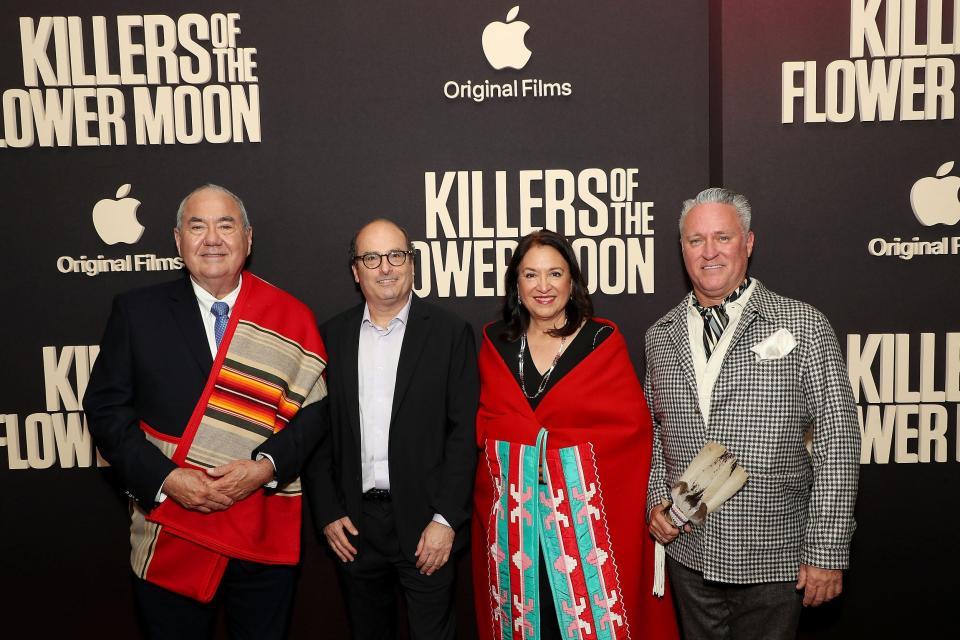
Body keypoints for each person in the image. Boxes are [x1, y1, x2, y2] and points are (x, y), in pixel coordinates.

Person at [84, 184, 327, 640]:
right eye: (197, 226)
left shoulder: (290, 317)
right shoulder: (137, 312)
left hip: (260, 524)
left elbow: (315, 416)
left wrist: (265, 468)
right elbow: (106, 410)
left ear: (248, 239)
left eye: (225, 225)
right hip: (171, 527)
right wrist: (167, 479)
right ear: (177, 241)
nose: (211, 238)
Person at [645, 187, 860, 640]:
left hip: (774, 557)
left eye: (722, 237)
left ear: (749, 242)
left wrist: (826, 549)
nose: (709, 252)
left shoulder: (803, 325)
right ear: (681, 247)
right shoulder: (659, 335)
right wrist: (655, 502)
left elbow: (837, 443)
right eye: (695, 240)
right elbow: (652, 431)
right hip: (691, 553)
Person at [472, 229, 679, 640]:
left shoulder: (601, 340)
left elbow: (630, 431)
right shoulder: (495, 341)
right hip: (517, 535)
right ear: (516, 284)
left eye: (555, 273)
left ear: (572, 280)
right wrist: (532, 445)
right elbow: (489, 425)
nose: (543, 287)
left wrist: (545, 451)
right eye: (531, 275)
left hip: (586, 531)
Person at [305, 218, 478, 639]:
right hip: (355, 528)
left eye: (396, 255)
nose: (386, 267)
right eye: (372, 257)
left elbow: (464, 436)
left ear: (412, 264)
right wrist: (328, 512)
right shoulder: (330, 337)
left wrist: (446, 520)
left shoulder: (451, 334)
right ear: (355, 270)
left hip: (427, 528)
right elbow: (315, 434)